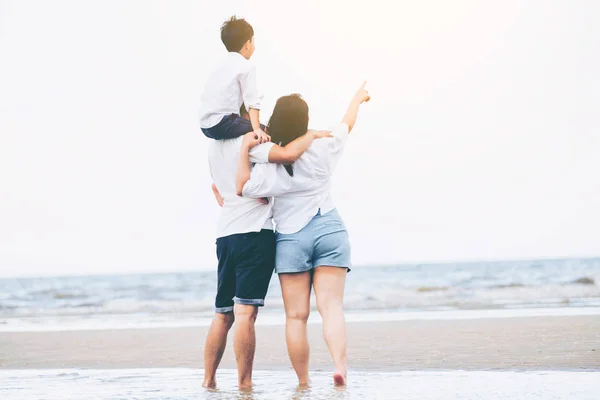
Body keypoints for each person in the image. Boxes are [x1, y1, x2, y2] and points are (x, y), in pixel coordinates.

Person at [235, 82, 371, 387]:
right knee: (331, 307)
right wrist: (357, 98)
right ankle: (339, 367)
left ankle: (304, 381)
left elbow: (243, 186)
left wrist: (246, 150)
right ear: (305, 122)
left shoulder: (268, 164)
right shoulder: (323, 146)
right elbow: (346, 123)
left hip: (291, 239)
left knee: (296, 317)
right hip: (329, 230)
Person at [202, 109, 331, 390]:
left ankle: (208, 381)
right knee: (246, 313)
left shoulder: (214, 147)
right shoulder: (252, 140)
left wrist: (228, 199)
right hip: (254, 232)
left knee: (222, 313)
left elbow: (216, 187)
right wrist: (311, 134)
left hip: (226, 234)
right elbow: (287, 155)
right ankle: (244, 384)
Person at [199, 16, 268, 142]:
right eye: (253, 41)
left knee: (245, 119)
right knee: (267, 131)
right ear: (248, 44)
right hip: (223, 123)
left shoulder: (219, 64)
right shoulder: (246, 66)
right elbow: (252, 101)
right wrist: (257, 129)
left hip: (205, 126)